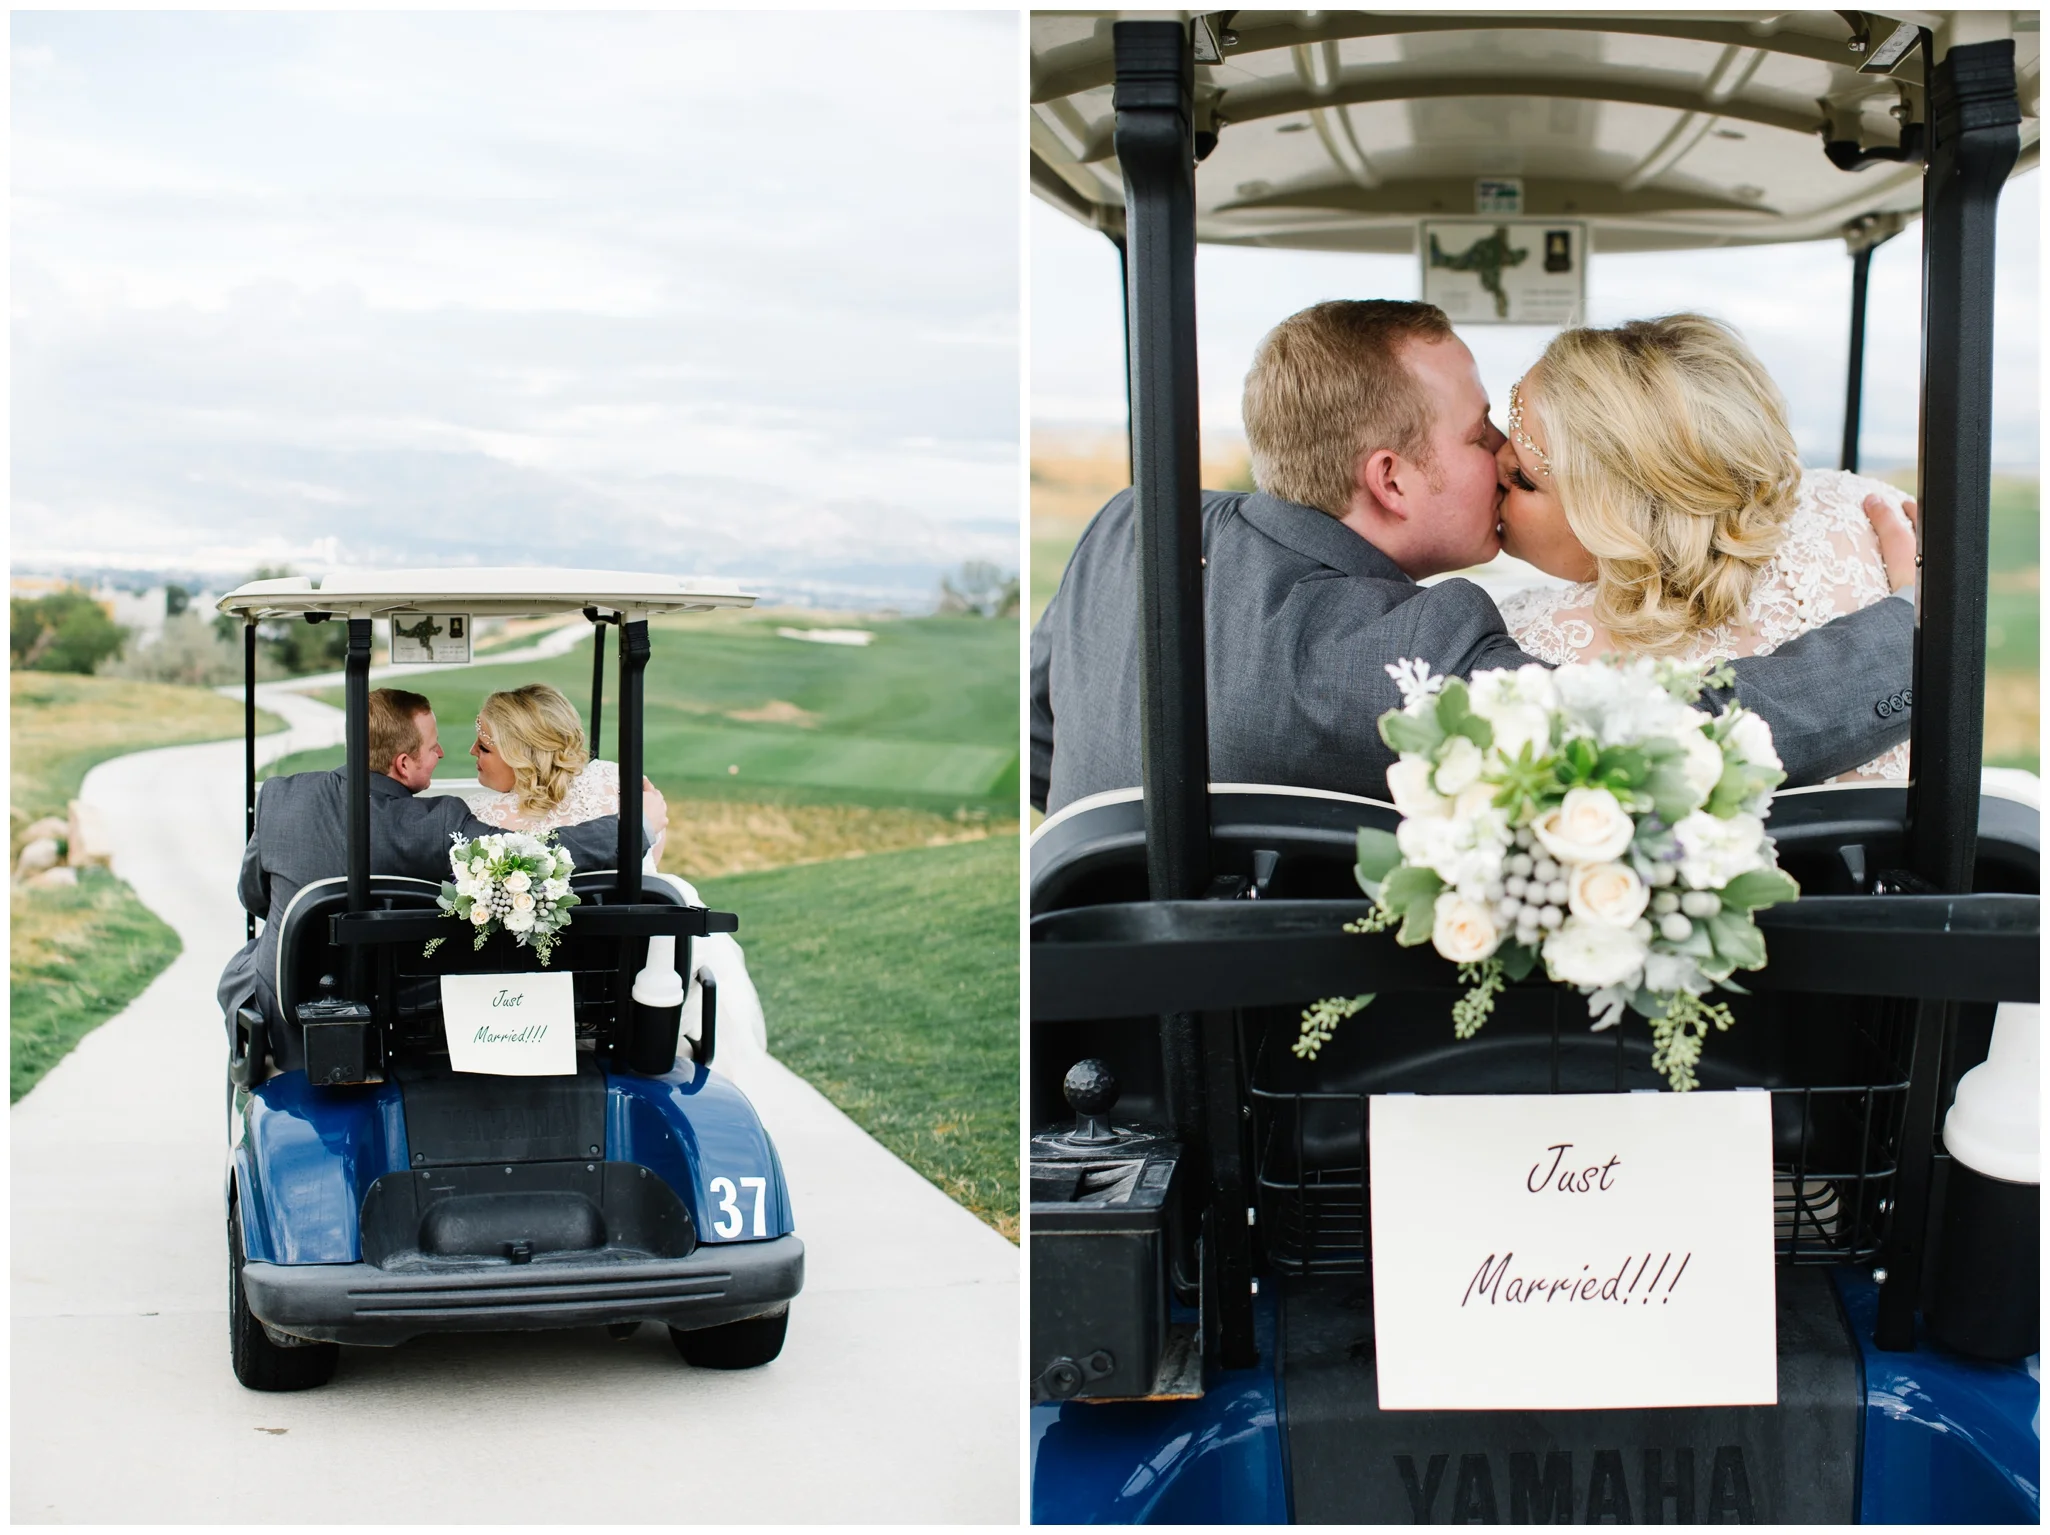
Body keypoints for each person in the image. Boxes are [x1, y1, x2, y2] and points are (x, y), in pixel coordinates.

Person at [1029, 299, 1917, 816]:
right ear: (1391, 479)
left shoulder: (1127, 527)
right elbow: (1678, 744)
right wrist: (1917, 635)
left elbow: (1042, 739)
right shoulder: (1405, 658)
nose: (1501, 450)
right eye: (1478, 429)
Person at [1492, 314, 1915, 781]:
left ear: (1619, 517)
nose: (1492, 465)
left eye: (1521, 477)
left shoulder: (1526, 648)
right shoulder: (1872, 518)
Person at [216, 685, 662, 1070]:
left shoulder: (279, 797)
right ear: (404, 764)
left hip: (289, 1016)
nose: (444, 752)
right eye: (433, 747)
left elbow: (254, 896)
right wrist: (636, 827)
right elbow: (535, 856)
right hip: (397, 1016)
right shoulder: (439, 824)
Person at [468, 682, 668, 868]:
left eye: (484, 748)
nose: (472, 751)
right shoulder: (618, 782)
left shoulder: (480, 817)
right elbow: (650, 867)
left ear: (521, 757)